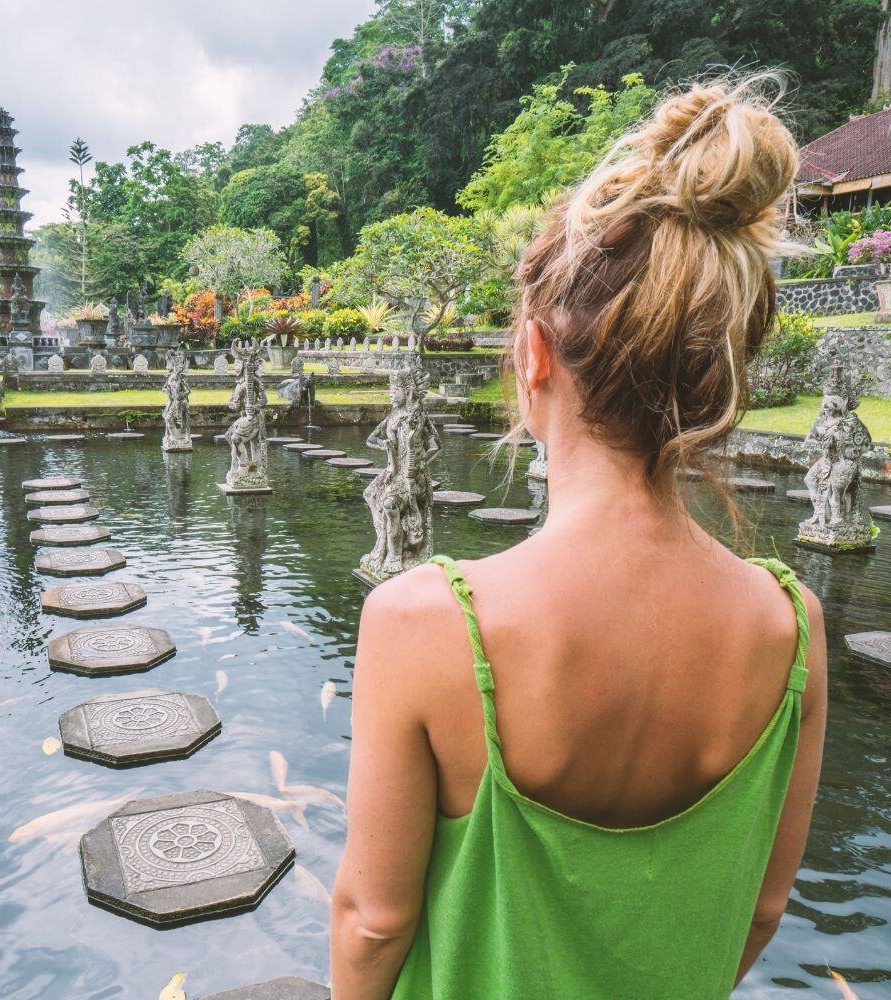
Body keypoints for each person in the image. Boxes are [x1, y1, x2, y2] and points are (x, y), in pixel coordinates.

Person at [330, 75, 827, 1000]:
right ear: (720, 371)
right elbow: (761, 909)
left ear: (531, 354)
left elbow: (373, 921)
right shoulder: (792, 628)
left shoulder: (428, 622)